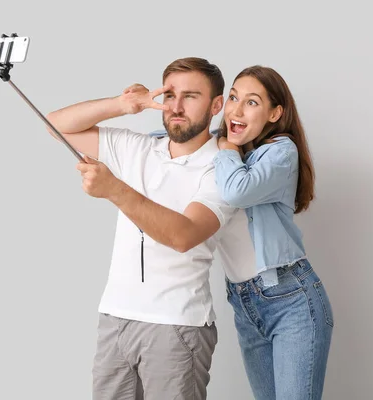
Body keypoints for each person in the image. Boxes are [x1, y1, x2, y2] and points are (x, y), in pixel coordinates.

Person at [44, 57, 256, 400]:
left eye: (190, 96)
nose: (176, 106)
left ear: (216, 105)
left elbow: (184, 235)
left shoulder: (223, 167)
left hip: (176, 326)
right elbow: (55, 125)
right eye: (169, 95)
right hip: (115, 318)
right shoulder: (137, 147)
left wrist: (115, 189)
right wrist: (121, 104)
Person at [212, 65, 334, 400]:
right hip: (243, 302)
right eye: (233, 97)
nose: (235, 110)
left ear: (274, 113)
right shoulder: (230, 147)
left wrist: (223, 148)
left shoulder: (280, 151)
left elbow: (237, 190)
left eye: (251, 102)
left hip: (291, 300)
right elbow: (174, 145)